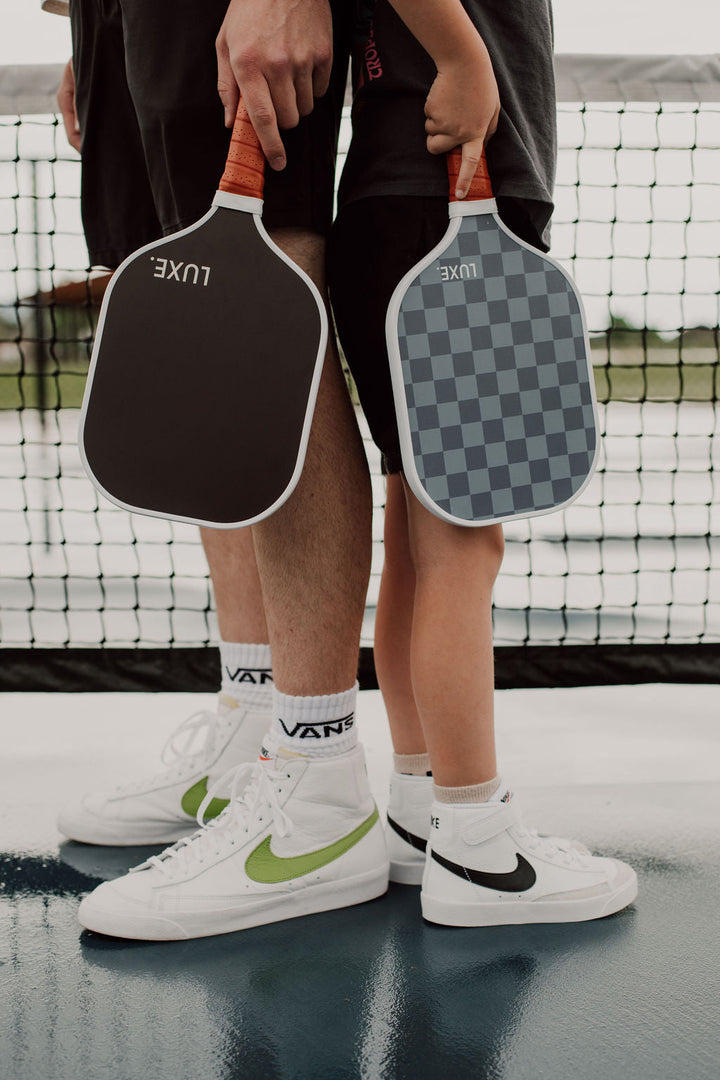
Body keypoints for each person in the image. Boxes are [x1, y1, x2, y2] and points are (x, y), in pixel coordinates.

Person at [56, 0, 637, 937]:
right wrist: (463, 56)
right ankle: (476, 843)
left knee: (428, 517)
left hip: (404, 197)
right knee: (460, 541)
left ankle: (408, 799)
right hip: (449, 198)